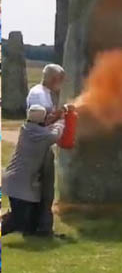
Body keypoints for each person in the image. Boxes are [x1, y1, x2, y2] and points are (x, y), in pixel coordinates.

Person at [1, 105, 65, 237]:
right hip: (19, 183)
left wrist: (55, 118)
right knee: (17, 221)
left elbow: (45, 128)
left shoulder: (28, 128)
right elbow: (55, 134)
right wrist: (62, 120)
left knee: (28, 225)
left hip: (18, 181)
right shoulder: (41, 135)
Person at [26, 63, 67, 237]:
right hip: (39, 147)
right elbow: (39, 122)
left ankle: (36, 226)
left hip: (41, 145)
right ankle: (42, 228)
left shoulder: (42, 93)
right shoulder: (39, 95)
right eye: (60, 80)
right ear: (53, 79)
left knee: (42, 189)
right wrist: (60, 116)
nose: (61, 84)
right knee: (45, 190)